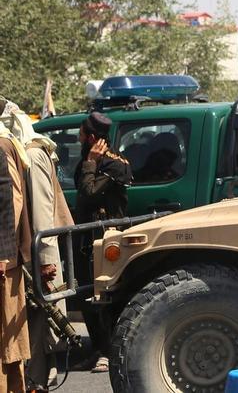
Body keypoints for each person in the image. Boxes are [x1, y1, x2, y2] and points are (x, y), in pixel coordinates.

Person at [0, 102, 72, 392]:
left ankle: (36, 383)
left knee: (37, 331)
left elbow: (41, 212)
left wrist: (43, 261)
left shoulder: (30, 153)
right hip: (32, 256)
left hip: (39, 259)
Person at [72, 111, 130, 374]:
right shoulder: (89, 159)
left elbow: (89, 193)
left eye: (82, 133)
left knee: (104, 296)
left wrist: (91, 164)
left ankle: (109, 352)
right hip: (87, 238)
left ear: (92, 137)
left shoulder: (113, 164)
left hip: (106, 239)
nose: (79, 137)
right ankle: (97, 349)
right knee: (85, 296)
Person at [0, 134, 30, 393]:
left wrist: (3, 254)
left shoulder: (1, 146)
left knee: (7, 338)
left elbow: (9, 203)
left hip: (3, 261)